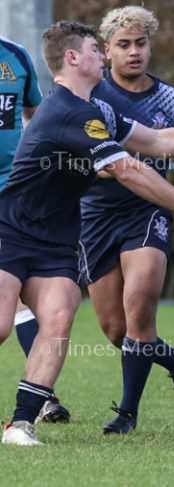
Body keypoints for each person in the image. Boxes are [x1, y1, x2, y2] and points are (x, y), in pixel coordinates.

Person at [0, 20, 174, 446]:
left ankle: (20, 424)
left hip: (58, 241)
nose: (104, 56)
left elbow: (157, 142)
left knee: (59, 318)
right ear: (73, 58)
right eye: (95, 50)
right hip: (9, 231)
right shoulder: (67, 109)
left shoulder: (97, 110)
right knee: (2, 326)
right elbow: (127, 169)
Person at [73, 6, 174, 435]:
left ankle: (126, 414)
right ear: (106, 51)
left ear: (150, 46)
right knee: (117, 330)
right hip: (94, 216)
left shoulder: (173, 101)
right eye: (124, 45)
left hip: (147, 212)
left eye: (141, 44)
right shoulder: (88, 97)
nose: (134, 52)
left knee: (141, 307)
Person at [0, 37, 70, 423]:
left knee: (22, 297)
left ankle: (39, 397)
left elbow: (38, 114)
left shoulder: (16, 57)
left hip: (13, 192)